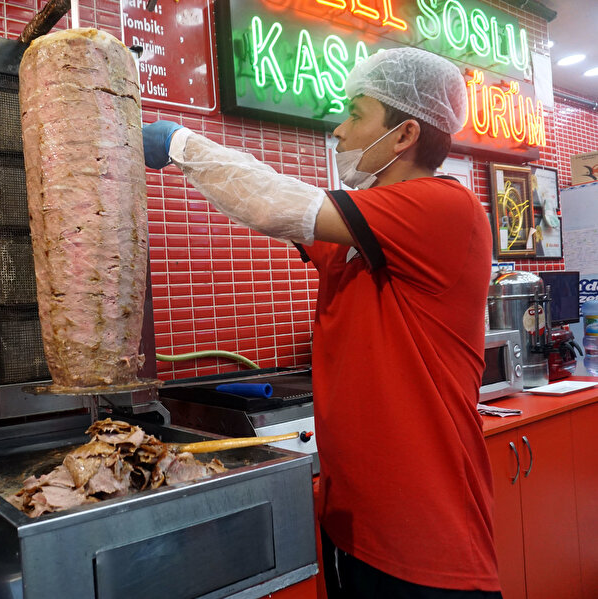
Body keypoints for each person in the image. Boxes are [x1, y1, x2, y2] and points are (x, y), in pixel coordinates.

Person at [142, 48, 502, 598]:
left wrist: (180, 145)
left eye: (356, 114)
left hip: (423, 536)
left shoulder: (441, 206)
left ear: (404, 135)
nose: (338, 130)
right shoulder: (364, 239)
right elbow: (270, 199)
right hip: (355, 520)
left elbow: (274, 203)